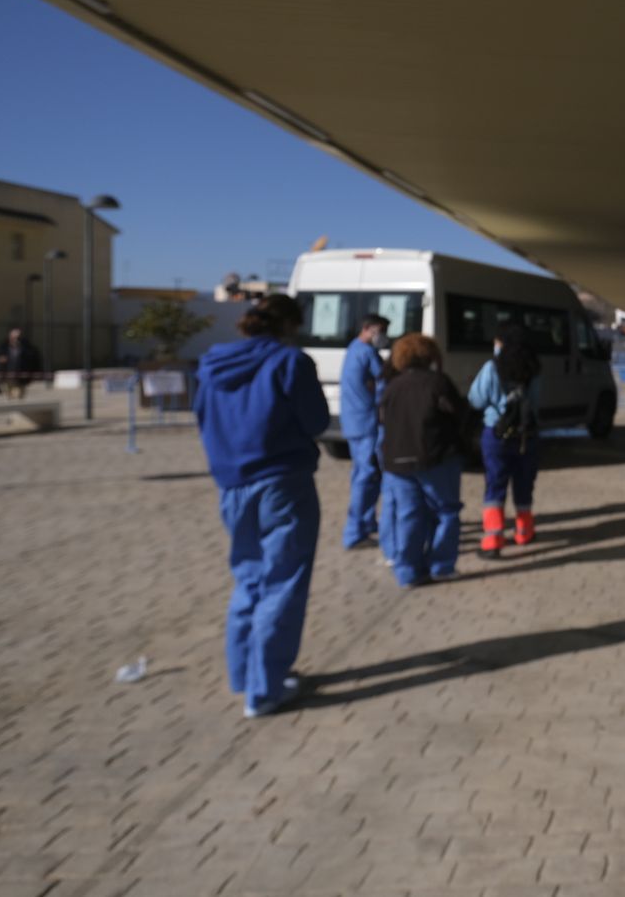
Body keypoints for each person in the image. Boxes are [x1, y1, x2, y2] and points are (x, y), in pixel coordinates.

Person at [193, 295, 329, 718]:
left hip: (232, 483)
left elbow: (200, 416)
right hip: (282, 481)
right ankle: (266, 688)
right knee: (283, 580)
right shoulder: (291, 362)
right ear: (289, 324)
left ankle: (244, 675)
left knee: (249, 576)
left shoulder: (211, 364)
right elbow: (316, 422)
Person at [378, 333, 466, 587]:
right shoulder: (437, 382)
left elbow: (382, 419)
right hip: (435, 458)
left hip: (397, 461)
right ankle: (441, 565)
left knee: (409, 515)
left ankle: (407, 570)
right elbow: (458, 413)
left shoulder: (392, 386)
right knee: (446, 511)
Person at [467, 324, 542, 556]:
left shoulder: (492, 367)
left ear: (502, 343)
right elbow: (537, 402)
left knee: (495, 484)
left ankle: (493, 539)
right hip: (527, 436)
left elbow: (476, 400)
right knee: (524, 483)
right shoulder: (535, 369)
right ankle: (524, 531)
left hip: (496, 435)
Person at [339, 314, 391, 551]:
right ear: (367, 329)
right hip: (367, 423)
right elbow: (383, 385)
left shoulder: (353, 348)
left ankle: (367, 522)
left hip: (354, 422)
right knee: (366, 477)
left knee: (363, 474)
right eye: (380, 331)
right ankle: (355, 531)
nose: (382, 336)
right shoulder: (368, 353)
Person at [0, 327, 43, 401]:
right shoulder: (3, 347)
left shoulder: (27, 348)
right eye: (14, 338)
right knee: (9, 397)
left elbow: (35, 360)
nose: (16, 340)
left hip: (21, 377)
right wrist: (0, 359)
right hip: (7, 377)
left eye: (18, 338)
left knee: (18, 398)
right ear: (10, 337)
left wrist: (35, 373)